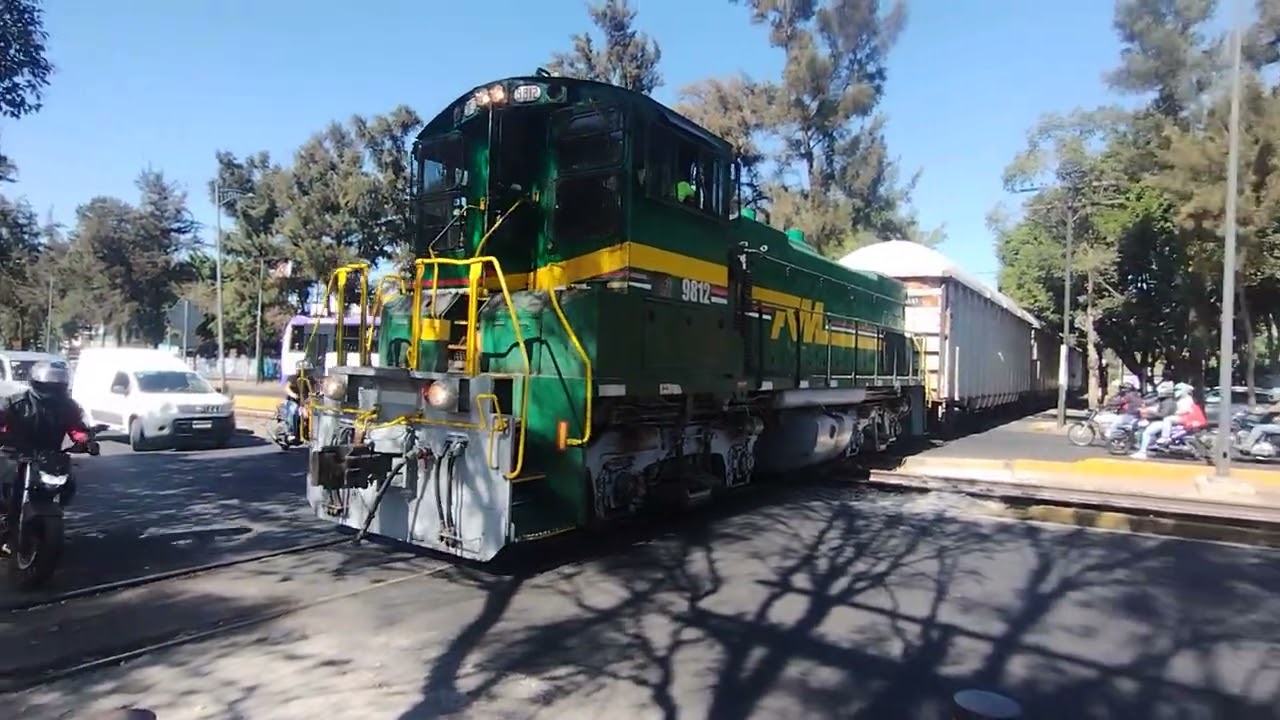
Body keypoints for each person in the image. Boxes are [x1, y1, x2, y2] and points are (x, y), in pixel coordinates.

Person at [0, 361, 98, 553]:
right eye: (47, 385)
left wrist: (86, 441)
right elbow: (2, 420)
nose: (52, 390)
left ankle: (48, 520)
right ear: (35, 382)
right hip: (15, 452)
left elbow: (75, 428)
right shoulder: (16, 402)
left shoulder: (68, 407)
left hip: (49, 455)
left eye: (57, 386)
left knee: (68, 484)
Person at [1130, 385, 1177, 459]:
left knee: (1147, 433)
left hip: (1163, 422)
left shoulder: (1168, 402)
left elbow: (1163, 414)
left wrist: (1152, 414)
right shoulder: (1166, 401)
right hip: (1163, 421)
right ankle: (1150, 446)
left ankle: (1142, 452)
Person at [1155, 382, 1206, 447]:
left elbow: (1186, 410)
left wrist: (1176, 412)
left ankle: (1165, 437)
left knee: (1168, 419)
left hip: (1186, 418)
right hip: (1185, 418)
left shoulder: (1187, 400)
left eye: (1178, 390)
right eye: (1175, 390)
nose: (1176, 392)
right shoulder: (1182, 399)